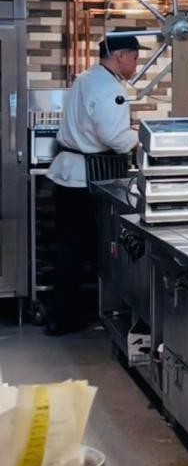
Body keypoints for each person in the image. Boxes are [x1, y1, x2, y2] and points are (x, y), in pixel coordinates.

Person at [45, 34, 144, 335]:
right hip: (84, 178)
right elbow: (114, 137)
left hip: (69, 175)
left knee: (68, 247)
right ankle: (67, 318)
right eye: (135, 57)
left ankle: (64, 315)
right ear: (120, 56)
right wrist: (146, 140)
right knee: (81, 249)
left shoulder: (87, 78)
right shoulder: (109, 88)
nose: (136, 64)